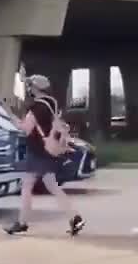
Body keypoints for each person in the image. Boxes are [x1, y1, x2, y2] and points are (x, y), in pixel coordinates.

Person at [5, 75, 85, 236]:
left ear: (34, 88)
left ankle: (22, 222)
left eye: (29, 86)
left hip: (38, 151)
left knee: (27, 186)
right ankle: (74, 217)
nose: (28, 89)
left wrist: (10, 115)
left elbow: (25, 129)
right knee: (52, 185)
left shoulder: (36, 108)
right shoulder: (52, 103)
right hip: (51, 149)